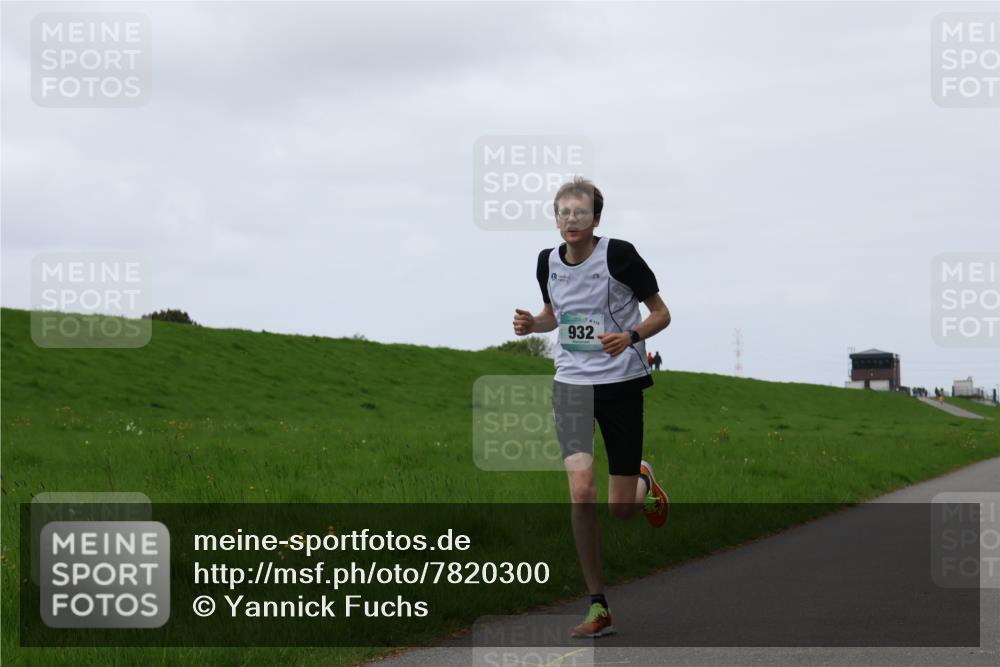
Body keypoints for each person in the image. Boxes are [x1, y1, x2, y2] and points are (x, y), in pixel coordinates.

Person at [512, 176, 671, 639]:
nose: (571, 220)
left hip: (620, 385)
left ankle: (642, 477)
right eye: (563, 213)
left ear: (595, 218)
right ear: (556, 219)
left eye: (580, 213)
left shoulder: (619, 255)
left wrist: (632, 335)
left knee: (621, 509)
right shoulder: (546, 261)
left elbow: (661, 312)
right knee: (581, 492)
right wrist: (531, 324)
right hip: (571, 386)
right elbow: (555, 316)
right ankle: (598, 605)